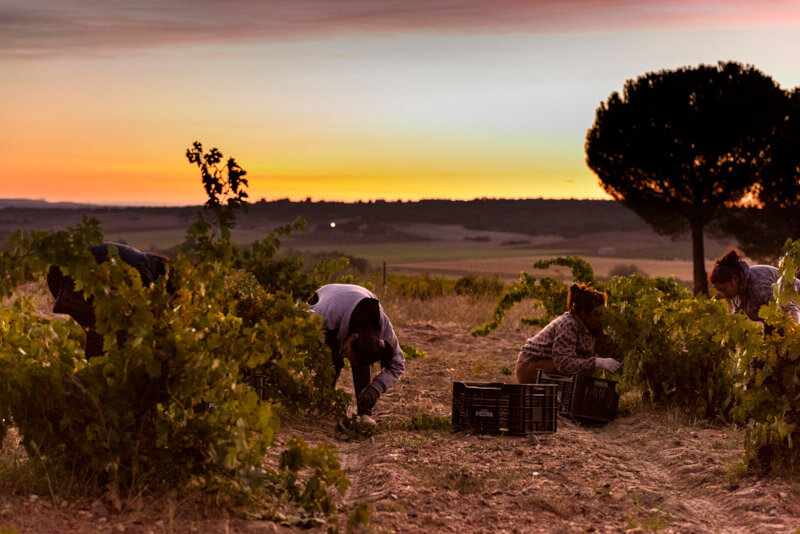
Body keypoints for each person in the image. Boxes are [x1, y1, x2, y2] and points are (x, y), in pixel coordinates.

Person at [47, 242, 170, 358]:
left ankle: (94, 370)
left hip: (61, 271)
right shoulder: (145, 274)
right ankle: (95, 372)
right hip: (69, 272)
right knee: (106, 328)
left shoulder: (147, 264)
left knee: (102, 327)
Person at [308, 283, 405, 426]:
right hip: (328, 297)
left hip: (356, 303)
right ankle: (324, 403)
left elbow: (398, 364)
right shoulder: (324, 314)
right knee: (333, 359)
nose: (346, 357)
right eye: (348, 352)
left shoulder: (383, 327)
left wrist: (375, 389)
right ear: (353, 336)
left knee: (361, 364)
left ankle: (364, 411)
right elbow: (296, 320)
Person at [515, 283, 623, 383]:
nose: (601, 318)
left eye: (603, 314)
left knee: (584, 362)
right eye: (597, 314)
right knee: (581, 363)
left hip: (551, 364)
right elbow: (564, 364)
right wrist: (598, 362)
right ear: (584, 313)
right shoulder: (568, 324)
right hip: (530, 367)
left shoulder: (592, 325)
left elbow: (606, 347)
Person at [709, 249, 800, 325]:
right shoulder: (737, 292)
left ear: (734, 279)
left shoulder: (758, 286)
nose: (723, 294)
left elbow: (790, 309)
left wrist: (793, 335)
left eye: (724, 289)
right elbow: (739, 320)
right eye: (719, 290)